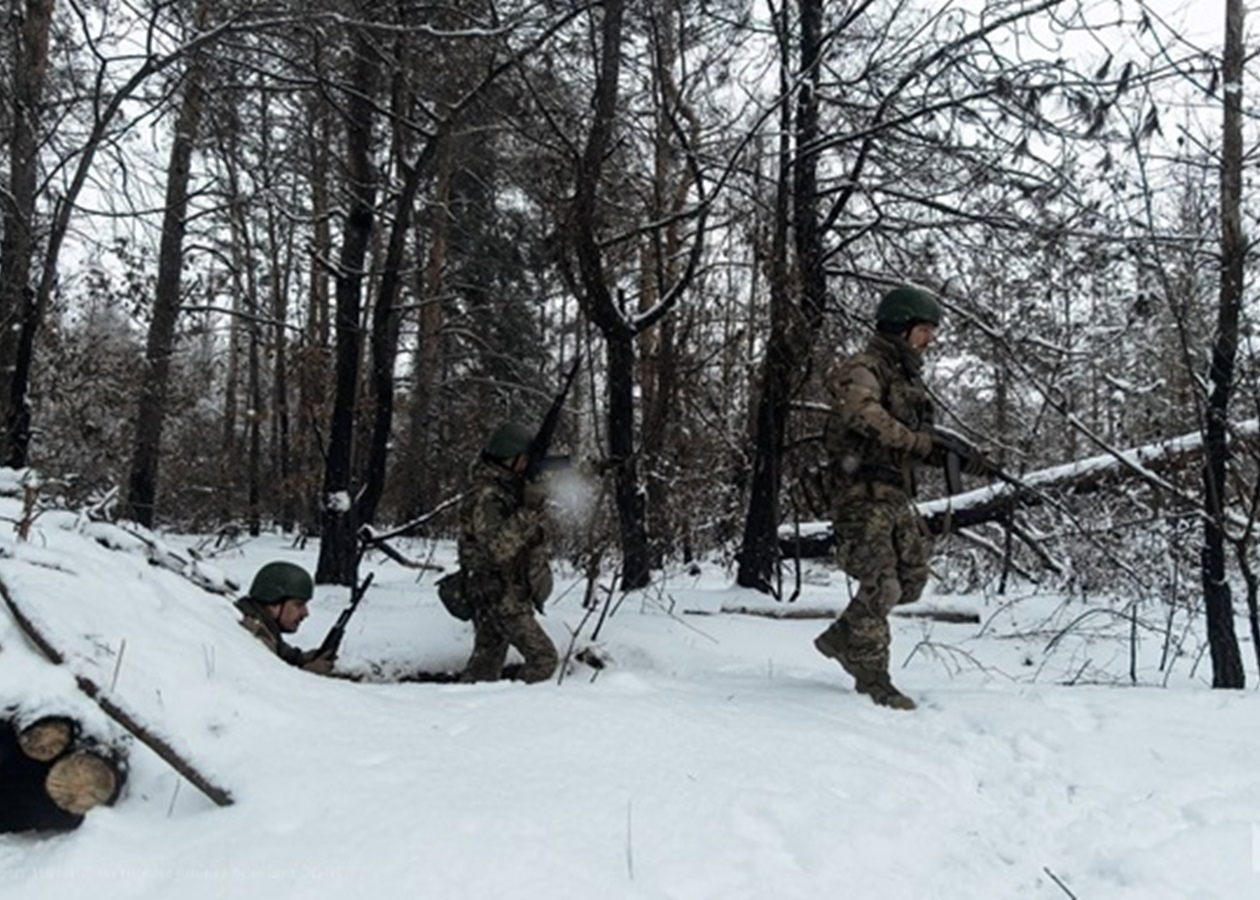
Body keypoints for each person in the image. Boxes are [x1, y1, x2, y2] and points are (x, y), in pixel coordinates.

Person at [813, 284, 945, 710]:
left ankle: (842, 636)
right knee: (882, 583)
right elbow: (862, 413)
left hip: (894, 496)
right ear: (899, 326)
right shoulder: (863, 367)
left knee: (912, 580)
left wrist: (953, 455)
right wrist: (915, 442)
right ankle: (872, 676)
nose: (929, 340)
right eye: (923, 330)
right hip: (860, 495)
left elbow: (916, 437)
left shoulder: (907, 379)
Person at [457, 421, 558, 684]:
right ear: (509, 459)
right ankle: (513, 705)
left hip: (498, 589)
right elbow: (496, 550)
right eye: (524, 458)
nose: (527, 463)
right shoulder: (486, 495)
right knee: (544, 660)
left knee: (485, 666)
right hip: (499, 594)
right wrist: (529, 510)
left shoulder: (507, 485)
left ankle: (469, 705)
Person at [235, 561, 336, 675]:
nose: (305, 613)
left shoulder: (263, 625)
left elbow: (281, 652)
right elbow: (264, 681)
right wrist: (308, 674)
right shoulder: (251, 633)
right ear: (273, 603)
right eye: (298, 605)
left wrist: (303, 659)